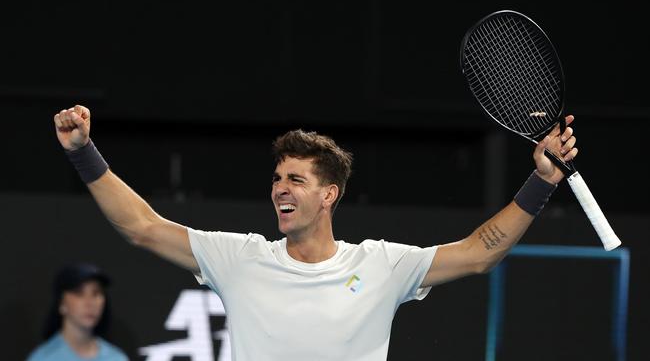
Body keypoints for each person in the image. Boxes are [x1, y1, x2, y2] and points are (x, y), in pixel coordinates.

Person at [53, 105, 578, 360]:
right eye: (278, 178)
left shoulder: (379, 265)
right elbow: (142, 227)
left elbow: (477, 254)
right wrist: (82, 152)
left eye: (296, 180)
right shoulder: (238, 258)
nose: (281, 189)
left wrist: (541, 181)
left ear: (329, 195)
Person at [27, 263, 128, 361]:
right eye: (79, 293)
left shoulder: (116, 358)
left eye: (96, 293)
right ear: (61, 303)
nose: (90, 303)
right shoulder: (43, 358)